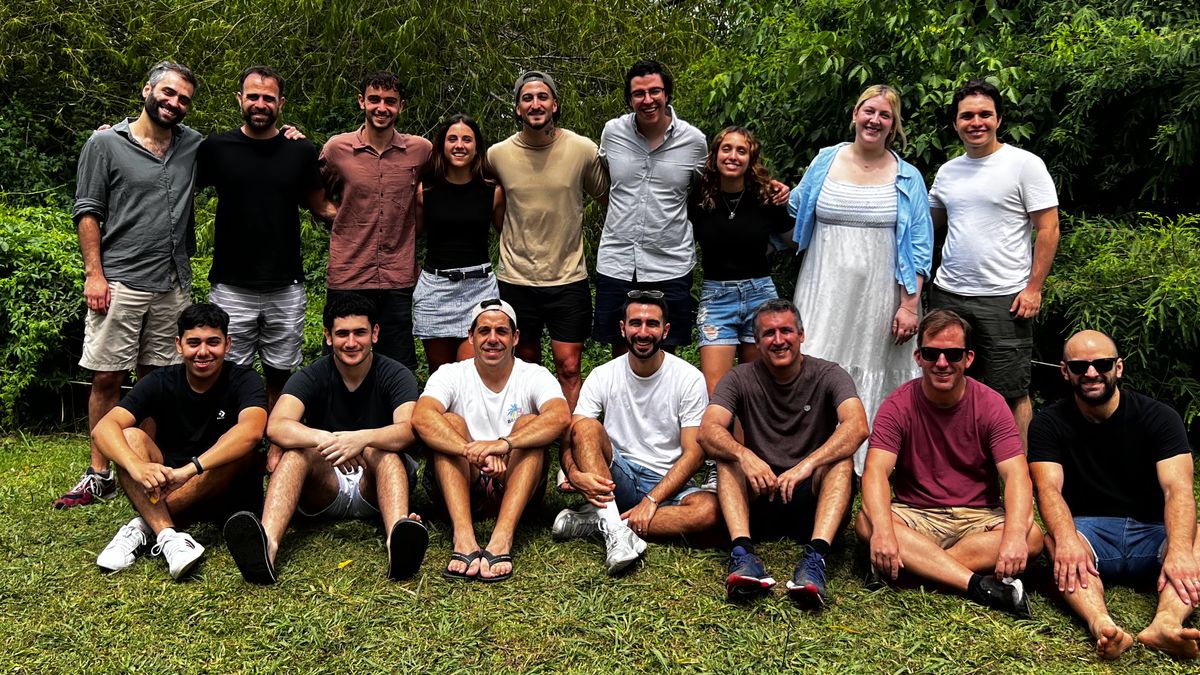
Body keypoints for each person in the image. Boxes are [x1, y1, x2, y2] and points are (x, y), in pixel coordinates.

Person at [60, 60, 202, 509]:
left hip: (172, 282)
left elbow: (246, 150)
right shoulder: (104, 143)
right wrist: (94, 274)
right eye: (168, 92)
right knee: (108, 376)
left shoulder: (192, 145)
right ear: (147, 90)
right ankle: (99, 472)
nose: (174, 103)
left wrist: (289, 136)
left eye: (183, 99)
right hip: (119, 279)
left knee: (157, 380)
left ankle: (144, 466)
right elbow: (87, 210)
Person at [224, 293, 427, 584]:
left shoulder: (396, 374)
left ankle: (398, 541)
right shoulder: (312, 375)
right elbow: (277, 425)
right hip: (325, 485)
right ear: (328, 337)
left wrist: (361, 439)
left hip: (376, 486)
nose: (351, 342)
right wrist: (328, 440)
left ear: (375, 334)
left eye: (360, 332)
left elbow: (408, 430)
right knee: (296, 454)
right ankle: (266, 545)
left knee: (384, 453)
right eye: (342, 334)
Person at [855, 309, 1044, 618]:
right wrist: (885, 533)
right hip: (917, 513)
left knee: (1031, 536)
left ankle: (913, 571)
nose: (942, 363)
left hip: (978, 516)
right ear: (918, 357)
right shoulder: (898, 404)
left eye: (953, 354)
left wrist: (1012, 537)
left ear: (968, 358)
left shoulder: (992, 404)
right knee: (868, 522)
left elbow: (1016, 475)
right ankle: (977, 584)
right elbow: (875, 471)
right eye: (932, 353)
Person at [788, 84, 933, 475]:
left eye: (885, 115)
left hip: (882, 295)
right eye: (869, 111)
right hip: (823, 286)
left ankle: (876, 458)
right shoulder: (825, 160)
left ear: (893, 125)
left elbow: (920, 244)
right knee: (816, 355)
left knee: (877, 365)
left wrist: (909, 305)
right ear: (855, 114)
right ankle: (811, 455)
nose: (875, 120)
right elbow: (796, 205)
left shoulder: (908, 177)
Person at [1029, 330, 1200, 660]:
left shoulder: (1160, 417)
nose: (1091, 373)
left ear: (1118, 368)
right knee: (1055, 541)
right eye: (1079, 366)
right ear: (1065, 371)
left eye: (1102, 364)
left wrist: (1179, 550)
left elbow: (1178, 489)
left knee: (1196, 539)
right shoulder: (1047, 424)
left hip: (1152, 533)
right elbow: (1048, 489)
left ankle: (1166, 624)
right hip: (1090, 534)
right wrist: (1067, 539)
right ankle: (1102, 625)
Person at [196, 65, 333, 472]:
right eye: (253, 96)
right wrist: (116, 135)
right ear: (239, 99)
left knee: (280, 371)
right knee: (227, 371)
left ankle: (276, 444)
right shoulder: (216, 148)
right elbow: (170, 171)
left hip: (285, 283)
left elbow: (322, 206)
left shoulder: (300, 151)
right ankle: (231, 447)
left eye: (268, 98)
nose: (260, 104)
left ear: (281, 103)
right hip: (231, 283)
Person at [699, 299, 868, 607]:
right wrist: (744, 455)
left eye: (786, 331)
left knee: (841, 460)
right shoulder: (739, 377)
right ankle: (742, 554)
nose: (778, 340)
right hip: (760, 495)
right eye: (768, 333)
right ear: (757, 342)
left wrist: (808, 464)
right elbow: (708, 430)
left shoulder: (829, 374)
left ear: (801, 335)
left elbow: (857, 426)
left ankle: (815, 559)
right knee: (727, 457)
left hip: (810, 498)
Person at [928, 78, 1060, 447]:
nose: (976, 122)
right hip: (948, 294)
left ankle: (1017, 471)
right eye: (967, 116)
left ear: (999, 119)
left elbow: (1049, 228)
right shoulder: (948, 171)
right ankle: (957, 463)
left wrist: (1034, 289)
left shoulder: (1024, 165)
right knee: (947, 383)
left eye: (985, 114)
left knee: (1011, 391)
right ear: (955, 123)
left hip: (1005, 298)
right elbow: (924, 225)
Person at [92, 303, 267, 580]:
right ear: (178, 345)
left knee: (237, 446)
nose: (203, 352)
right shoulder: (160, 381)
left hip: (225, 491)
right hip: (167, 482)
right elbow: (103, 428)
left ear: (228, 344)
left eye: (213, 342)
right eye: (193, 343)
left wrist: (189, 470)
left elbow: (252, 431)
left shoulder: (245, 379)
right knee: (129, 437)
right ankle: (167, 535)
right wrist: (136, 466)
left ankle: (144, 525)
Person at [554, 290, 720, 574]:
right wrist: (573, 472)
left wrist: (652, 500)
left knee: (710, 511)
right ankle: (617, 533)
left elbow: (694, 454)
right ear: (623, 328)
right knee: (585, 426)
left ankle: (604, 523)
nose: (643, 332)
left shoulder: (689, 378)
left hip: (669, 481)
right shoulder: (604, 375)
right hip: (618, 477)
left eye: (652, 324)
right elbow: (573, 436)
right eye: (635, 323)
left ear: (665, 330)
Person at [412, 299, 571, 582]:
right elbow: (422, 417)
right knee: (450, 422)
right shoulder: (451, 373)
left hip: (515, 480)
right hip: (463, 480)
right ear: (471, 337)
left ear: (515, 338)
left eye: (502, 331)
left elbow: (559, 416)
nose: (492, 339)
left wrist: (504, 444)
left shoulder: (533, 374)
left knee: (529, 423)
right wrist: (469, 451)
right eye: (484, 331)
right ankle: (464, 538)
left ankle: (501, 538)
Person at [487, 70, 608, 411]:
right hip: (516, 278)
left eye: (542, 97)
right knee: (527, 366)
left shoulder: (582, 149)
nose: (535, 104)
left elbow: (612, 198)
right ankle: (535, 433)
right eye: (527, 98)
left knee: (569, 366)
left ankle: (570, 436)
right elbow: (486, 201)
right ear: (517, 108)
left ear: (555, 104)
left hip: (568, 277)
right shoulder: (497, 155)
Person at [319, 71, 433, 371]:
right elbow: (315, 193)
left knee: (397, 363)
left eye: (390, 101)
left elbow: (439, 190)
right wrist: (340, 218)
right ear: (362, 102)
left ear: (401, 106)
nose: (382, 108)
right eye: (374, 100)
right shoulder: (337, 149)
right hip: (349, 272)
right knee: (341, 359)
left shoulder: (421, 151)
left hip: (397, 275)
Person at [594, 60, 707, 356]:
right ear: (629, 99)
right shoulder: (612, 133)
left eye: (655, 91)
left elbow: (704, 193)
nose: (647, 100)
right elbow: (607, 182)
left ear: (667, 94)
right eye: (638, 94)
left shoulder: (694, 142)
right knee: (620, 354)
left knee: (666, 356)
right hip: (618, 260)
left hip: (670, 262)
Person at [689, 126, 793, 395]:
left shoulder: (766, 197)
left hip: (760, 295)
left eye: (741, 151)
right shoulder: (700, 198)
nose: (733, 156)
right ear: (715, 155)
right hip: (716, 298)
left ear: (750, 159)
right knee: (717, 392)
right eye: (727, 149)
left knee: (757, 390)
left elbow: (796, 240)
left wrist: (791, 198)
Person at [413, 114, 504, 373]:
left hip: (479, 289)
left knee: (471, 370)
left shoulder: (493, 191)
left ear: (477, 147)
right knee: (440, 373)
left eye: (467, 139)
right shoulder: (425, 190)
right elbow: (409, 237)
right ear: (442, 145)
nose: (459, 145)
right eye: (452, 139)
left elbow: (509, 237)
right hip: (436, 290)